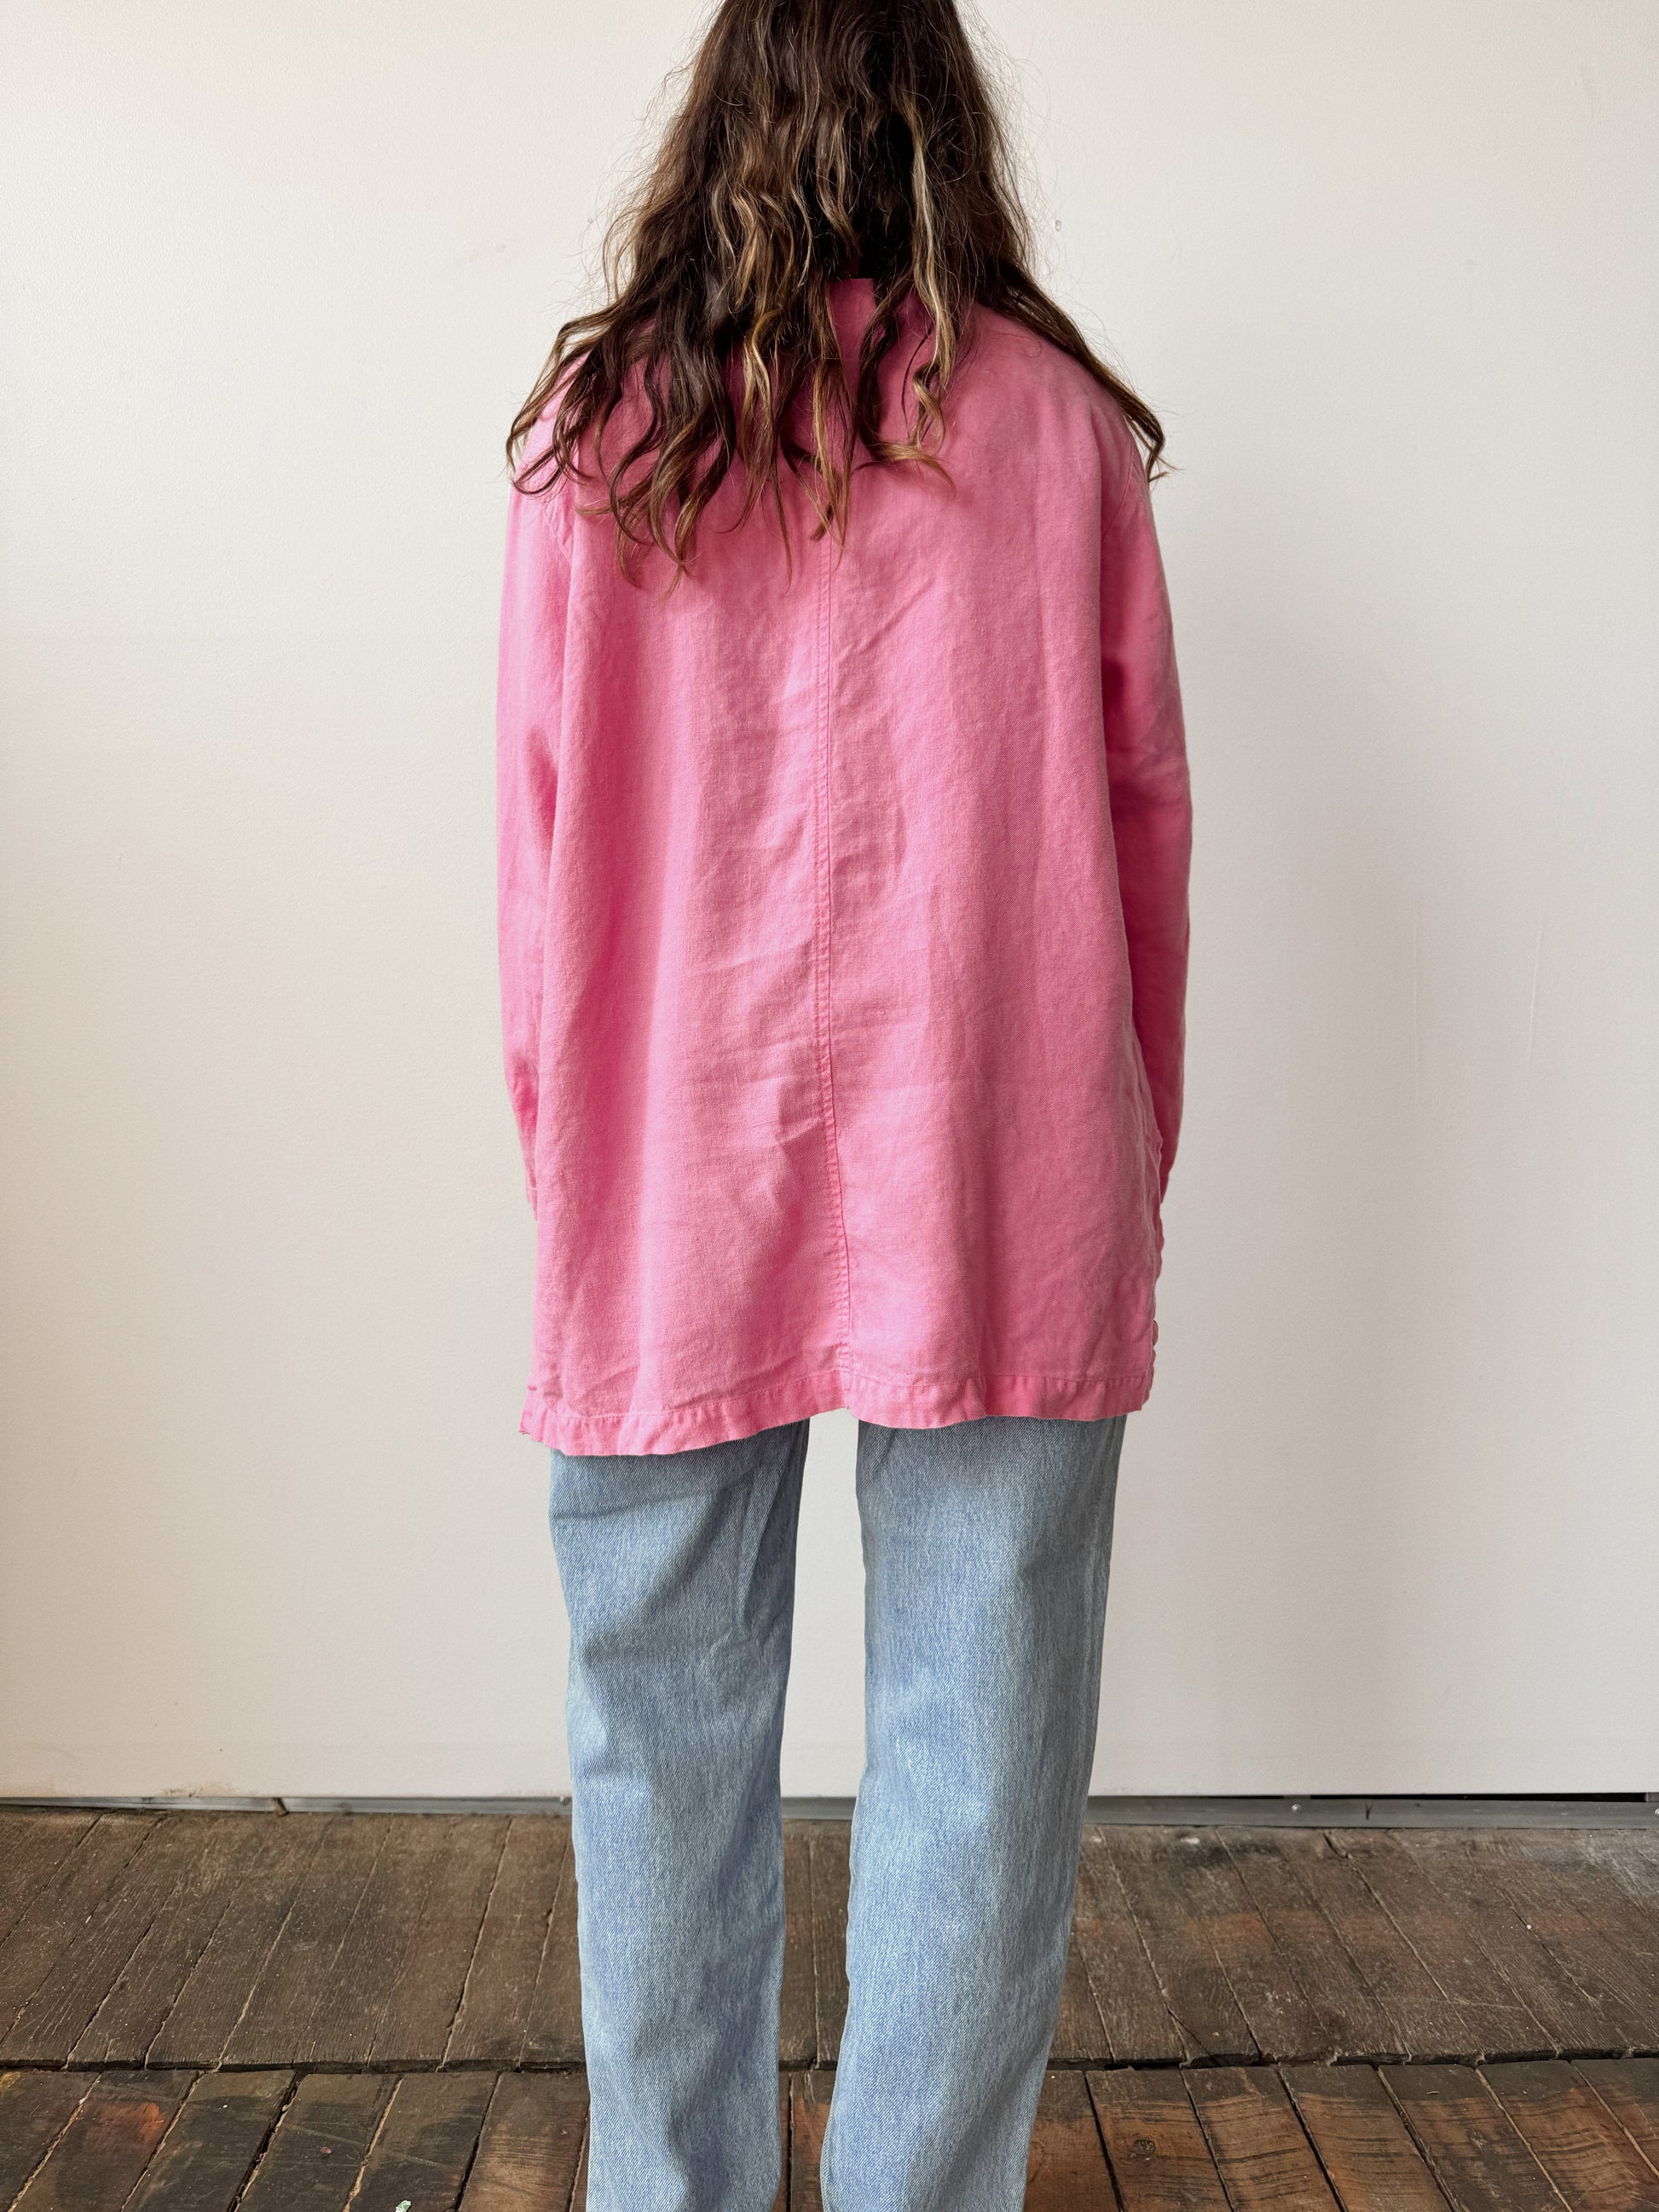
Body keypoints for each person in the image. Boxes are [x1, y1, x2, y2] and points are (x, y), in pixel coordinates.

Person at [494, 3, 1191, 2204]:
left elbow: (535, 856)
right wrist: (1122, 1160)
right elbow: (1147, 830)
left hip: (665, 1158)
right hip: (1003, 1152)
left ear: (720, 122)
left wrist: (569, 1154)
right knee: (984, 1733)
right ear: (944, 126)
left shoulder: (601, 434)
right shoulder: (1059, 432)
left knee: (652, 1722)